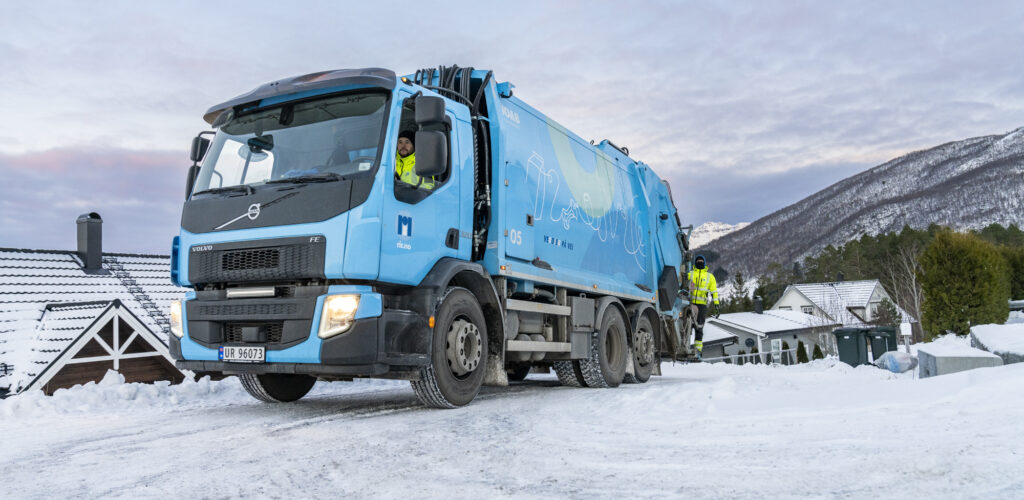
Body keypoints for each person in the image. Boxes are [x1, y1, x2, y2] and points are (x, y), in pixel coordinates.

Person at [687, 254, 719, 358]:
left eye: (701, 261)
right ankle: (686, 349)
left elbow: (714, 292)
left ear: (704, 263)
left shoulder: (710, 277)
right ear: (695, 263)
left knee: (699, 328)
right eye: (698, 261)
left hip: (702, 306)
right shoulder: (690, 274)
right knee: (687, 327)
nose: (699, 262)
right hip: (690, 304)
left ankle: (697, 352)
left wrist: (716, 305)